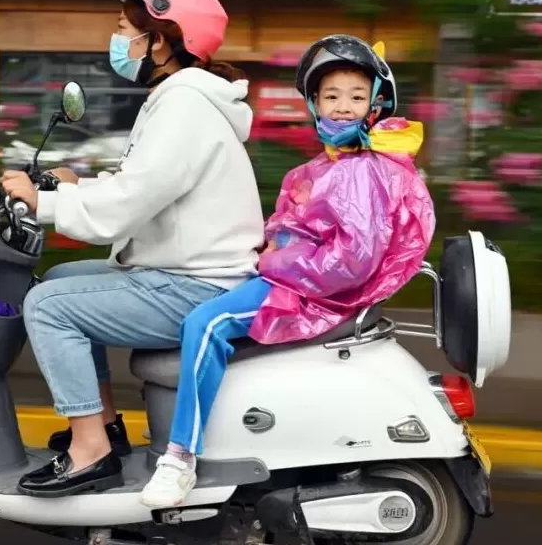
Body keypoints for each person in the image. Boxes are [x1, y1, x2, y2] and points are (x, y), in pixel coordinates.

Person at [0, 0, 265, 498]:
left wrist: (44, 203)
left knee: (47, 307)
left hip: (195, 286)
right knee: (58, 281)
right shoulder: (179, 98)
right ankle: (105, 426)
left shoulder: (185, 106)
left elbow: (128, 203)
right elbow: (142, 184)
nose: (116, 39)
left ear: (158, 41)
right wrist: (75, 185)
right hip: (185, 273)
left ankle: (90, 451)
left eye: (124, 28)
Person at [139, 34, 437, 509]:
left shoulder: (362, 170)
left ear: (375, 106)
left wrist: (272, 261)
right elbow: (286, 231)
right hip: (295, 280)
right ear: (315, 103)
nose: (343, 107)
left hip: (312, 293)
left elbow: (351, 262)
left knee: (205, 324)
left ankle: (179, 459)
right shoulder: (325, 167)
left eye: (356, 97)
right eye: (332, 96)